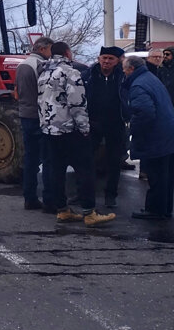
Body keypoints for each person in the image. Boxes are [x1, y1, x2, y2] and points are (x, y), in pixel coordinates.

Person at [37, 41, 115, 227]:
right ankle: (89, 212)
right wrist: (84, 128)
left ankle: (62, 209)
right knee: (85, 170)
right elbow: (77, 103)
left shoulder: (44, 73)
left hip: (50, 129)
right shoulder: (70, 72)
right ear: (67, 53)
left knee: (56, 171)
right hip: (69, 130)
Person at [121, 55, 174, 219]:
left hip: (157, 137)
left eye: (124, 69)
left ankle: (155, 210)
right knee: (166, 177)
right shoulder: (150, 78)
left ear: (131, 69)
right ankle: (165, 209)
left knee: (157, 176)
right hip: (169, 134)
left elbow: (145, 112)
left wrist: (134, 129)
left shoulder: (138, 85)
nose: (124, 73)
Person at [83, 46, 127, 208]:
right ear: (99, 59)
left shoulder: (123, 77)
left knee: (114, 161)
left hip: (116, 124)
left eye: (110, 59)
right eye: (104, 58)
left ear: (117, 61)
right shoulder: (88, 76)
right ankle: (84, 194)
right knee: (87, 160)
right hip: (93, 123)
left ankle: (111, 195)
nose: (106, 61)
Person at [15, 36, 54, 211]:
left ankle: (29, 197)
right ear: (42, 49)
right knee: (48, 158)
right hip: (39, 116)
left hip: (25, 115)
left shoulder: (22, 65)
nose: (52, 54)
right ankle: (49, 199)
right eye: (50, 50)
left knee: (30, 159)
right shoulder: (42, 66)